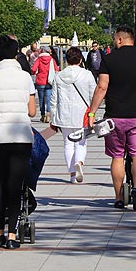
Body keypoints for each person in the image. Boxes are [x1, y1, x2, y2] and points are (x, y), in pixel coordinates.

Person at [87, 25, 136, 211]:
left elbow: (102, 87)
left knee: (117, 157)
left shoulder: (109, 59)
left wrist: (92, 112)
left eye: (114, 39)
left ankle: (119, 197)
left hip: (115, 119)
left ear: (120, 39)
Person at [0, 34, 36, 249]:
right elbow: (31, 111)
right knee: (16, 185)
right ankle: (13, 235)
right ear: (17, 54)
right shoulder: (25, 78)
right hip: (20, 136)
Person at [50, 47, 96, 183]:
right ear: (81, 59)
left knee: (67, 144)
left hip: (63, 114)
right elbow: (93, 94)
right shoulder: (87, 75)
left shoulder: (59, 76)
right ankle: (79, 163)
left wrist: (53, 117)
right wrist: (92, 112)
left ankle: (72, 175)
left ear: (67, 60)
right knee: (81, 143)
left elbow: (54, 99)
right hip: (81, 113)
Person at [31, 46, 59, 123]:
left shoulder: (39, 59)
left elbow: (33, 69)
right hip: (49, 82)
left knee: (41, 99)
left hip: (40, 81)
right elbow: (57, 69)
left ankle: (42, 115)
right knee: (48, 99)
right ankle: (48, 115)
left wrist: (35, 72)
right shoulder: (51, 59)